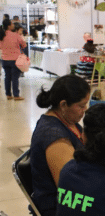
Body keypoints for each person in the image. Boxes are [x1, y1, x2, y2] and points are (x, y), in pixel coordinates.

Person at [30, 75, 91, 216]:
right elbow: (70, 193)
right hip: (58, 207)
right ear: (63, 105)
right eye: (81, 105)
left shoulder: (68, 121)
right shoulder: (54, 136)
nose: (85, 109)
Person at [0, 19, 27, 100]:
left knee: (7, 77)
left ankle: (8, 94)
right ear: (9, 26)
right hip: (15, 59)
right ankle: (16, 95)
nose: (13, 25)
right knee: (15, 78)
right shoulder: (15, 35)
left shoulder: (2, 35)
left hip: (4, 59)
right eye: (12, 24)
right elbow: (24, 44)